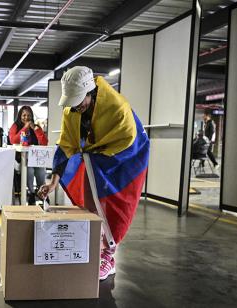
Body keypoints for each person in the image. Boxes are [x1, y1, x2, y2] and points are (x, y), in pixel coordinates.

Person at [37, 66, 149, 281]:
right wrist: (53, 181)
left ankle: (109, 254)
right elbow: (67, 146)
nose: (77, 105)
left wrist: (92, 154)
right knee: (91, 201)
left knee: (115, 204)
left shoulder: (117, 107)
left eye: (80, 100)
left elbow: (127, 142)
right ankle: (94, 247)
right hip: (94, 156)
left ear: (92, 91)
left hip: (126, 157)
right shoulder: (72, 109)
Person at [8, 106, 48, 204]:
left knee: (41, 171)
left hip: (35, 157)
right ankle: (31, 193)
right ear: (20, 116)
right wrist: (25, 128)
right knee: (29, 170)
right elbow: (13, 140)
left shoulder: (35, 127)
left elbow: (44, 143)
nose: (26, 117)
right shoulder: (15, 126)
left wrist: (36, 129)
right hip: (21, 157)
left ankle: (42, 192)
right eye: (24, 115)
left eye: (28, 115)